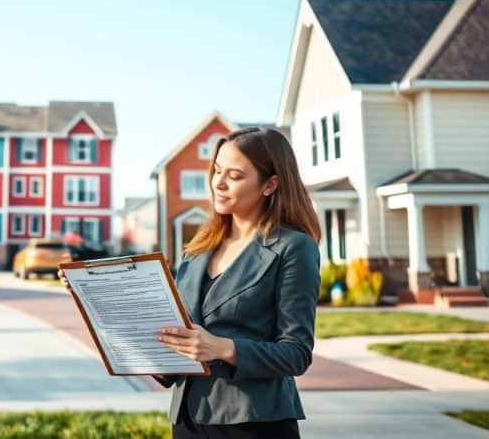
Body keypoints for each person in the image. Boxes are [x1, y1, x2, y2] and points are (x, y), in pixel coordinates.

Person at [60, 126, 321, 438]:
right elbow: (172, 342)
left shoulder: (293, 248)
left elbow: (296, 353)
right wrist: (97, 300)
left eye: (235, 176)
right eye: (217, 171)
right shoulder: (198, 247)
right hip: (187, 420)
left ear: (270, 184)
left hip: (254, 422)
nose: (218, 184)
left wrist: (223, 348)